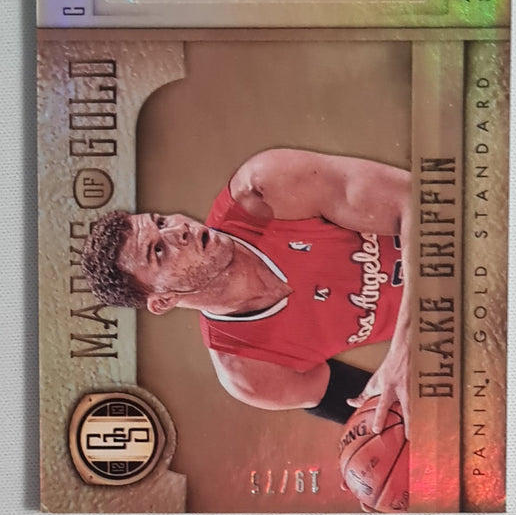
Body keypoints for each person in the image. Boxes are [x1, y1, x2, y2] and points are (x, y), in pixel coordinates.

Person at [82, 148, 411, 436]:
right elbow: (389, 416)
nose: (179, 230)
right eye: (158, 251)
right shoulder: (249, 371)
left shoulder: (264, 189)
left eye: (162, 221)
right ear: (164, 300)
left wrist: (406, 345)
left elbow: (422, 201)